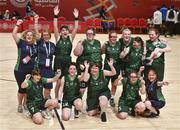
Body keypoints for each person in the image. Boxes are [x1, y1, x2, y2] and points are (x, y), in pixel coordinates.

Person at [53, 6, 79, 101]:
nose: (65, 31)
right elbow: (55, 27)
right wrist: (55, 15)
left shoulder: (70, 39)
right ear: (60, 32)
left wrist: (76, 17)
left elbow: (76, 28)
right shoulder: (58, 38)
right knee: (58, 82)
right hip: (58, 61)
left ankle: (64, 97)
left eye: (66, 30)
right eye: (63, 30)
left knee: (66, 80)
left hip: (68, 60)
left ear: (68, 32)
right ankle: (56, 98)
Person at [12, 19, 37, 113]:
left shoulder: (35, 46)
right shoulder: (21, 43)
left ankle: (25, 104)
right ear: (25, 36)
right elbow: (14, 34)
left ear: (33, 37)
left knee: (28, 88)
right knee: (22, 88)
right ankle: (19, 105)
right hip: (19, 70)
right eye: (28, 35)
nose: (29, 36)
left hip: (30, 71)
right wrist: (17, 25)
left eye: (31, 35)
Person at [74, 28, 102, 95]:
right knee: (82, 87)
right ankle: (79, 101)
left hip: (95, 68)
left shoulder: (98, 42)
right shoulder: (83, 42)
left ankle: (92, 102)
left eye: (91, 33)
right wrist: (79, 43)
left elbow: (100, 53)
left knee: (93, 86)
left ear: (94, 34)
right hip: (84, 67)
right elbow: (76, 53)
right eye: (88, 34)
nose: (89, 35)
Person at [34, 15, 56, 99]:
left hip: (48, 69)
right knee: (38, 88)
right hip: (39, 69)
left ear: (50, 36)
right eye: (44, 35)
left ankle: (47, 102)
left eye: (47, 35)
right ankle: (38, 103)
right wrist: (36, 21)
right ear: (42, 36)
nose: (46, 36)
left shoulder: (52, 45)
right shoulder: (40, 42)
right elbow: (36, 31)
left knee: (47, 89)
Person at [101, 31, 121, 107]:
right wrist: (103, 47)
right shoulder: (106, 44)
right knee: (105, 83)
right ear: (109, 37)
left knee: (114, 84)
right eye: (112, 37)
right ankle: (104, 97)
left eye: (115, 37)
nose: (113, 38)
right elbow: (101, 52)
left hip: (117, 66)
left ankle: (112, 97)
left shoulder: (119, 44)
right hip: (107, 66)